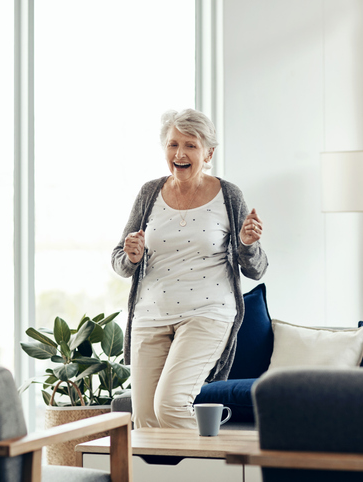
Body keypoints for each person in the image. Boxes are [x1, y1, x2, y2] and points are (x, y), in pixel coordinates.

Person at [111, 108, 268, 429]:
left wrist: (247, 243)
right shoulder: (149, 193)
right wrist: (132, 255)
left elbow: (256, 269)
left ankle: (219, 469)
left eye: (190, 145)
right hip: (149, 316)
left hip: (208, 314)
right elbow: (120, 260)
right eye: (172, 144)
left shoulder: (228, 195)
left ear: (208, 152)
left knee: (170, 405)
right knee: (144, 418)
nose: (180, 153)